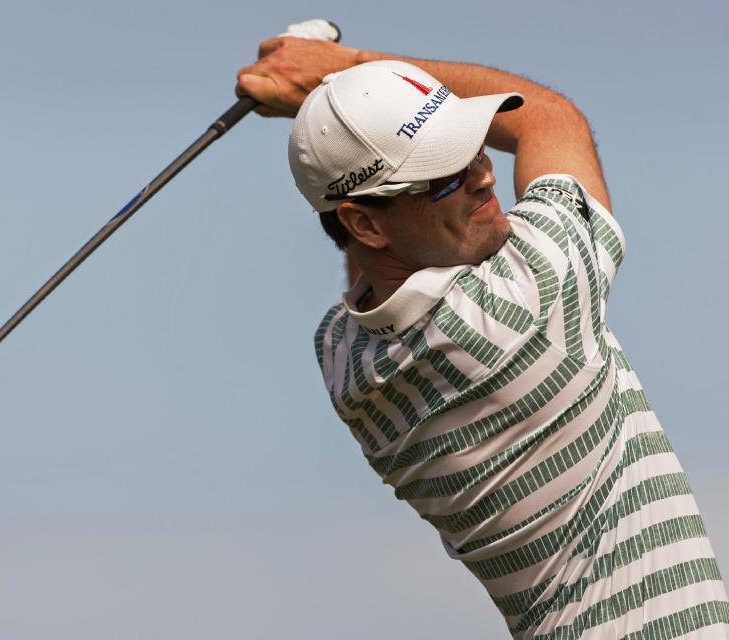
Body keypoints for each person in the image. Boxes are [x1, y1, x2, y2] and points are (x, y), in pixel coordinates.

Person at [236, 37, 729, 639]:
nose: (484, 178)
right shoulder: (527, 303)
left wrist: (341, 117)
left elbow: (376, 263)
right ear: (365, 222)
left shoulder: (343, 357)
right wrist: (344, 71)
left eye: (470, 148)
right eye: (442, 177)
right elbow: (545, 118)